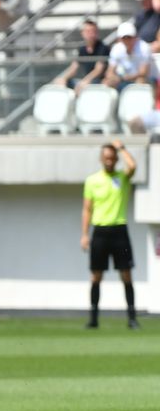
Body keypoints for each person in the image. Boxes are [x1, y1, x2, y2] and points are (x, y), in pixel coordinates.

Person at [81, 140, 138, 329]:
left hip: (119, 230)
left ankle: (132, 318)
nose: (109, 161)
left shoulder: (122, 177)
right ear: (101, 159)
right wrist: (84, 234)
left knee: (126, 274)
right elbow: (87, 209)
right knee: (96, 276)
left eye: (112, 158)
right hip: (100, 231)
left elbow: (133, 166)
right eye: (106, 157)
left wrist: (121, 148)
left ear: (116, 159)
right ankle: (93, 319)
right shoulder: (92, 181)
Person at [53, 18, 109, 93]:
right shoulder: (82, 49)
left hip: (99, 82)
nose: (91, 34)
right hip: (87, 81)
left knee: (83, 85)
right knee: (62, 82)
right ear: (82, 33)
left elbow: (98, 70)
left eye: (93, 31)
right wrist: (63, 78)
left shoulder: (103, 48)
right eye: (88, 31)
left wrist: (85, 81)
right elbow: (74, 68)